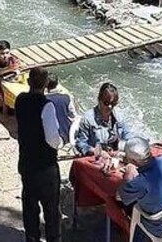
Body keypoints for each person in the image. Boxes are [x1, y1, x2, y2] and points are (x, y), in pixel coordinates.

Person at [14, 67, 62, 242]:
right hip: (45, 167)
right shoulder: (47, 106)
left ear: (28, 82)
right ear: (46, 85)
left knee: (30, 207)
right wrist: (61, 142)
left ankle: (32, 238)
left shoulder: (20, 100)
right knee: (51, 211)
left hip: (26, 162)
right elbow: (52, 140)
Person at [73, 82, 132, 156]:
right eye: (106, 103)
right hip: (96, 157)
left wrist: (121, 150)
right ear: (99, 99)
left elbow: (128, 137)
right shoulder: (88, 119)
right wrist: (97, 152)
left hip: (115, 155)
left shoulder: (119, 116)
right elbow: (81, 143)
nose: (110, 107)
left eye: (113, 104)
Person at [46, 73, 75, 144]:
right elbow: (73, 115)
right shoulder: (66, 97)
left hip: (51, 137)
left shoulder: (42, 100)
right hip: (67, 134)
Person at [0, 40, 19, 110]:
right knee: (0, 101)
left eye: (7, 53)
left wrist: (16, 72)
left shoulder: (12, 60)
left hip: (12, 87)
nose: (5, 55)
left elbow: (17, 72)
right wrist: (9, 68)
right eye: (2, 53)